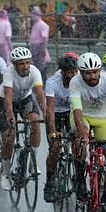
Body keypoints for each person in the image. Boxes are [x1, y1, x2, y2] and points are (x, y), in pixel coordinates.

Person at [68, 52, 106, 197]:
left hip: (103, 118)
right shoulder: (75, 82)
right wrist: (82, 134)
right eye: (87, 73)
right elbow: (77, 109)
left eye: (95, 72)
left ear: (100, 70)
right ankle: (80, 179)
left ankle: (105, 196)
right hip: (83, 116)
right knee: (82, 139)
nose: (92, 76)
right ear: (81, 72)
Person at [0, 46, 44, 191]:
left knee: (35, 123)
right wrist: (10, 118)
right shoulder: (8, 72)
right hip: (7, 101)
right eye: (21, 63)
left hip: (25, 99)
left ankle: (32, 162)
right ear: (14, 64)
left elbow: (39, 95)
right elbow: (8, 99)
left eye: (27, 62)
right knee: (9, 136)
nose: (25, 66)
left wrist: (46, 114)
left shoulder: (35, 71)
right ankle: (6, 173)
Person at [41, 53, 79, 203]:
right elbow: (49, 109)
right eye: (69, 72)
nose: (72, 75)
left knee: (78, 143)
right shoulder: (52, 82)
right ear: (62, 72)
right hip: (55, 113)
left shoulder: (79, 80)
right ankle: (49, 183)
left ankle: (78, 176)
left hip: (71, 112)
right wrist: (52, 132)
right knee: (55, 148)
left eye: (74, 72)